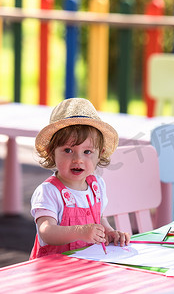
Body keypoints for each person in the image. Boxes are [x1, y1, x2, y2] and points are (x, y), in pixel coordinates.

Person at [30, 98, 130, 259]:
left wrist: (109, 232)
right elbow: (46, 231)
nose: (78, 159)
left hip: (86, 264)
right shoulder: (49, 191)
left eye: (87, 152)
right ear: (51, 152)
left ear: (100, 154)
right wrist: (80, 232)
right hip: (52, 269)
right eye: (68, 150)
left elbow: (99, 219)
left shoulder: (96, 186)